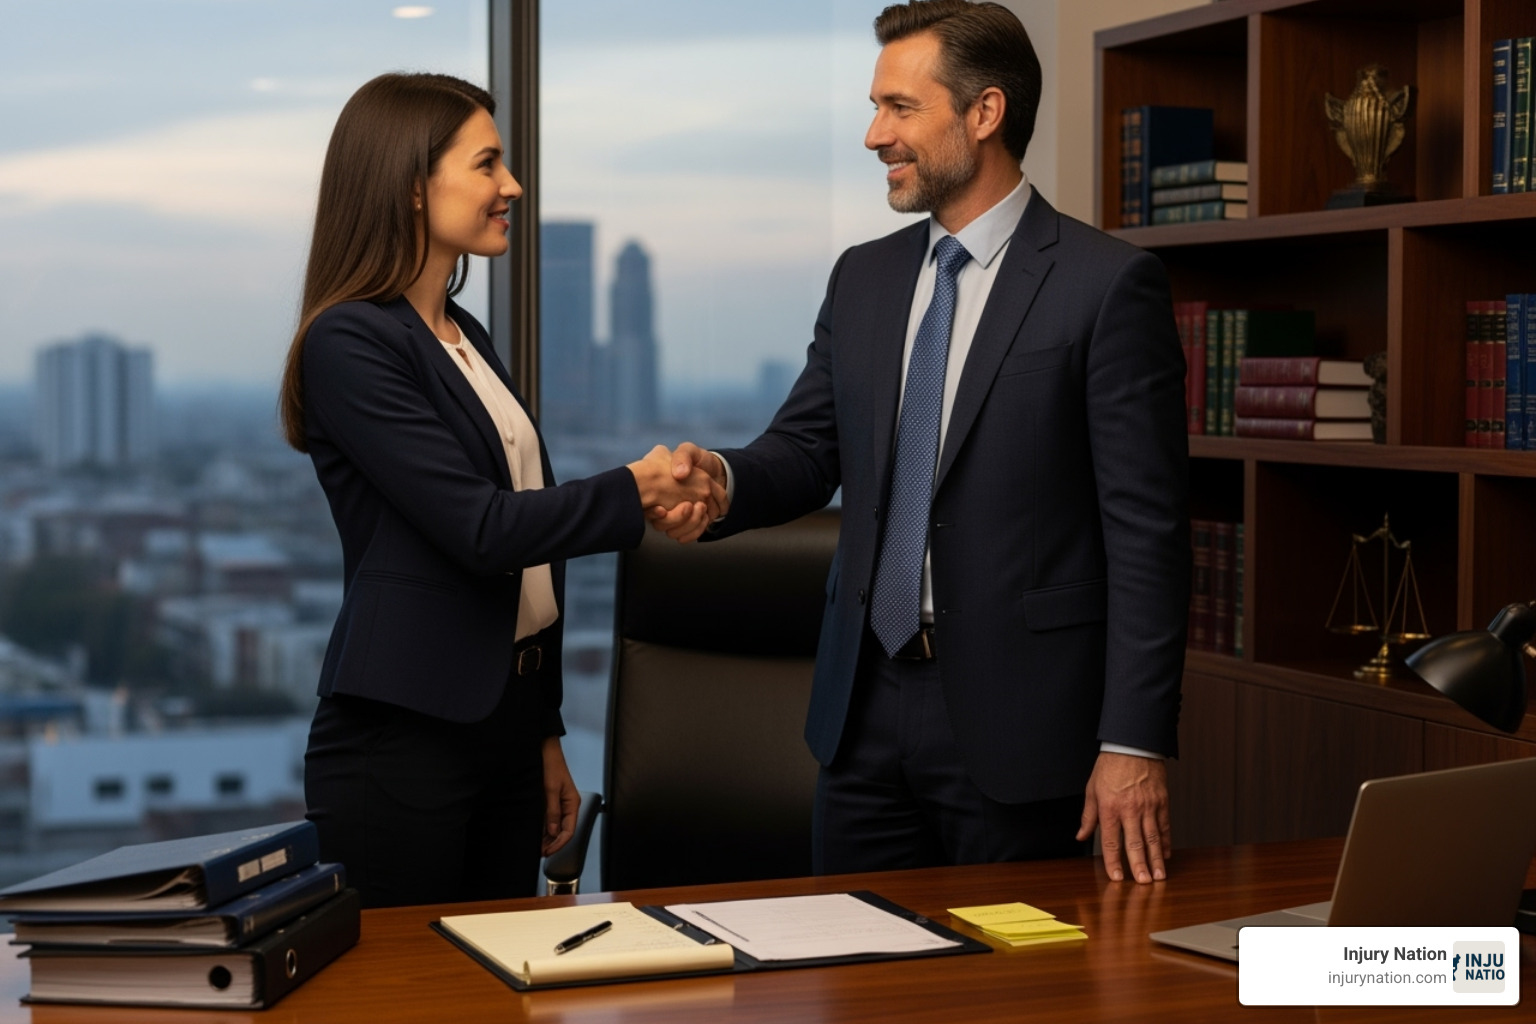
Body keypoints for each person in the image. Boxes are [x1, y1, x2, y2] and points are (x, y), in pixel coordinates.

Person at [656, 0, 1188, 884]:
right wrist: (721, 479)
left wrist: (1133, 740)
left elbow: (1148, 538)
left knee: (1009, 1001)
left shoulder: (1106, 287)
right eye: (874, 107)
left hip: (1025, 725)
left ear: (985, 114)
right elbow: (805, 448)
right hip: (860, 712)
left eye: (900, 109)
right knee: (856, 981)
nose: (874, 135)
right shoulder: (863, 278)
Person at [280, 72, 718, 908]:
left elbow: (528, 584)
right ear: (413, 185)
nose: (511, 186)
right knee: (411, 993)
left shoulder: (460, 335)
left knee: (496, 983)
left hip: (501, 733)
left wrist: (542, 731)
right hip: (403, 739)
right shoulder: (349, 341)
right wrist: (636, 487)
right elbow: (484, 531)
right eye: (487, 164)